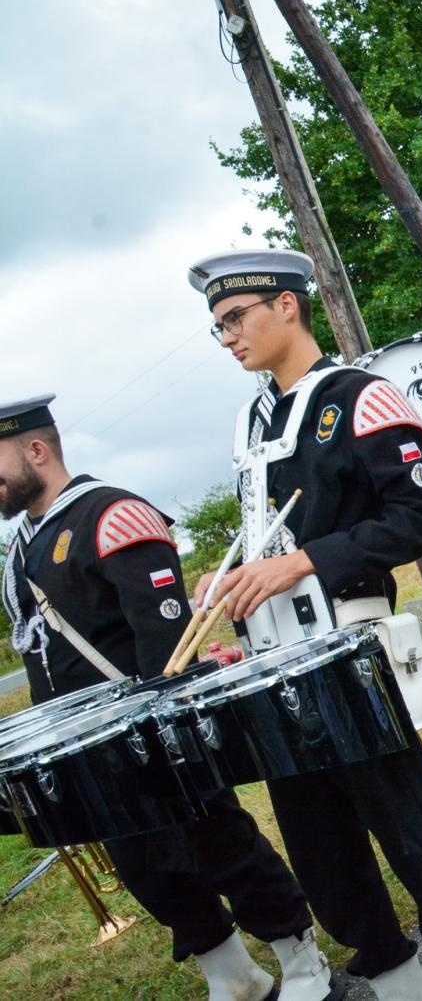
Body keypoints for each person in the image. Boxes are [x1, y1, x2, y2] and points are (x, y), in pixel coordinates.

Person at [187, 251, 422, 999]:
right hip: (274, 662)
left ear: (287, 307)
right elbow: (265, 535)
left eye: (236, 318)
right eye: (218, 328)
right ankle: (398, 982)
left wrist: (305, 561)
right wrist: (230, 578)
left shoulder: (363, 397)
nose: (228, 337)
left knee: (409, 825)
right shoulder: (252, 418)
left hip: (347, 648)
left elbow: (421, 518)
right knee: (321, 845)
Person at [0, 395, 341, 1001]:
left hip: (151, 733)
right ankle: (235, 977)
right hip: (85, 751)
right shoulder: (22, 546)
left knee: (222, 846)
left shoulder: (112, 516)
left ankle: (303, 962)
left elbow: (162, 643)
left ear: (35, 450)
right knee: (148, 869)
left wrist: (164, 729)